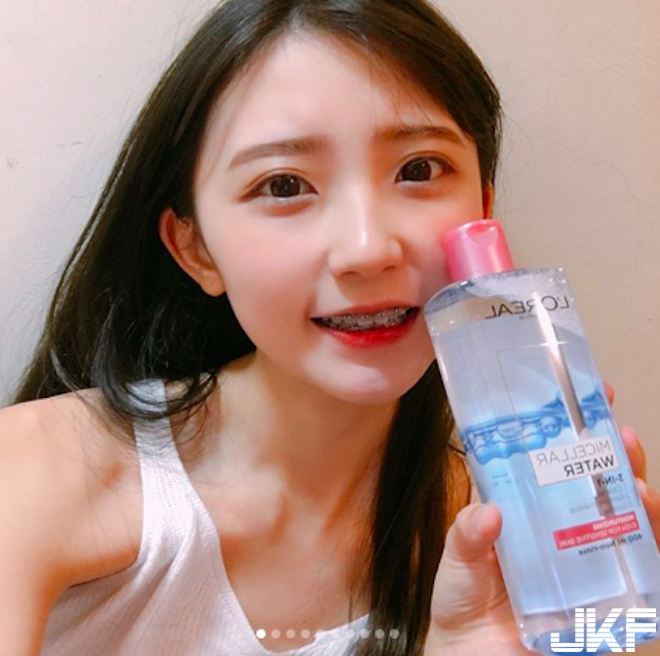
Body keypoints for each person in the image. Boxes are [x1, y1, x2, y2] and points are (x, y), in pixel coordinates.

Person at [2, 0, 658, 654]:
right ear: (195, 248)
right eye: (284, 185)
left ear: (482, 212)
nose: (367, 249)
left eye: (419, 170)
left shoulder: (519, 532)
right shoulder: (41, 467)